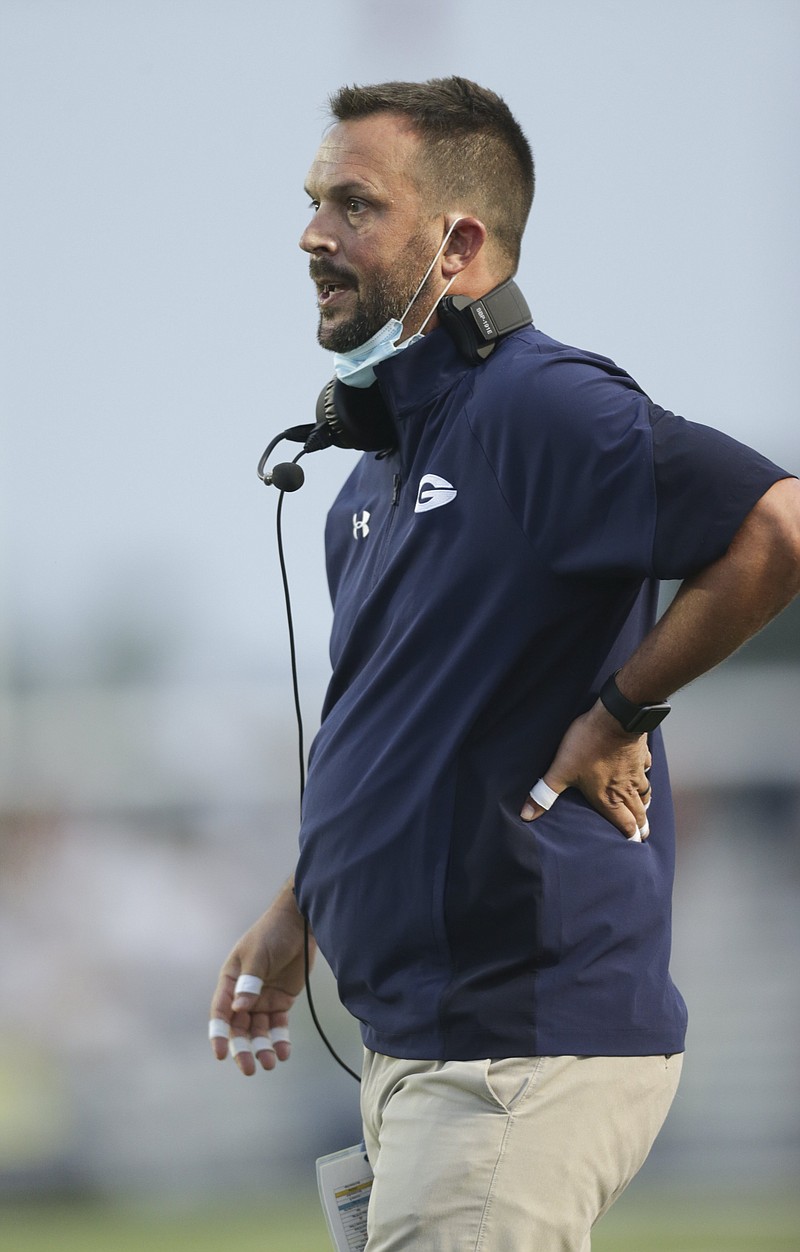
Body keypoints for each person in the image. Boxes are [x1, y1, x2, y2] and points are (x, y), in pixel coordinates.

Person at [209, 77, 800, 1250]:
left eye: (354, 205)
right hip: (425, 1051)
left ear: (459, 243)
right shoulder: (367, 480)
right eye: (313, 202)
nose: (312, 234)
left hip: (512, 1051)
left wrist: (622, 707)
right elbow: (398, 722)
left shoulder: (538, 404)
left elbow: (775, 527)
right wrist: (299, 909)